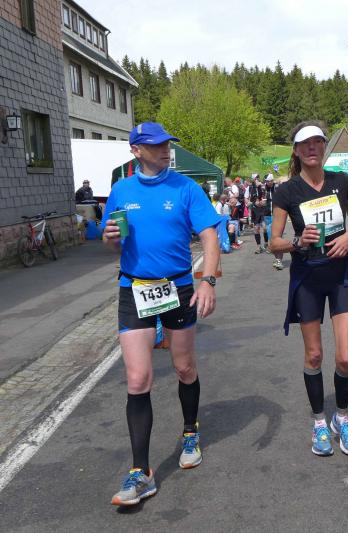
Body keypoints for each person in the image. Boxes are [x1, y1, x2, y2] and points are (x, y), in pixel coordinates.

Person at [101, 122, 220, 506]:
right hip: (133, 289)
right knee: (138, 378)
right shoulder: (121, 190)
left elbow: (210, 237)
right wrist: (110, 239)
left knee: (184, 367)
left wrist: (208, 281)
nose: (166, 150)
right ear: (136, 151)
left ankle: (190, 432)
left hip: (178, 287)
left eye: (167, 144)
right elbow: (110, 240)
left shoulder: (186, 188)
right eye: (156, 145)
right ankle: (142, 472)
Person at [270, 121, 348, 456]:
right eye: (305, 143)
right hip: (307, 277)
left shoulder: (341, 182)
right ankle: (320, 423)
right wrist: (297, 241)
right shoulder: (287, 192)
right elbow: (274, 243)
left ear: (324, 146)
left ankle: (342, 418)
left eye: (317, 142)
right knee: (314, 355)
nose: (312, 148)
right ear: (296, 151)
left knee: (346, 356)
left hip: (341, 274)